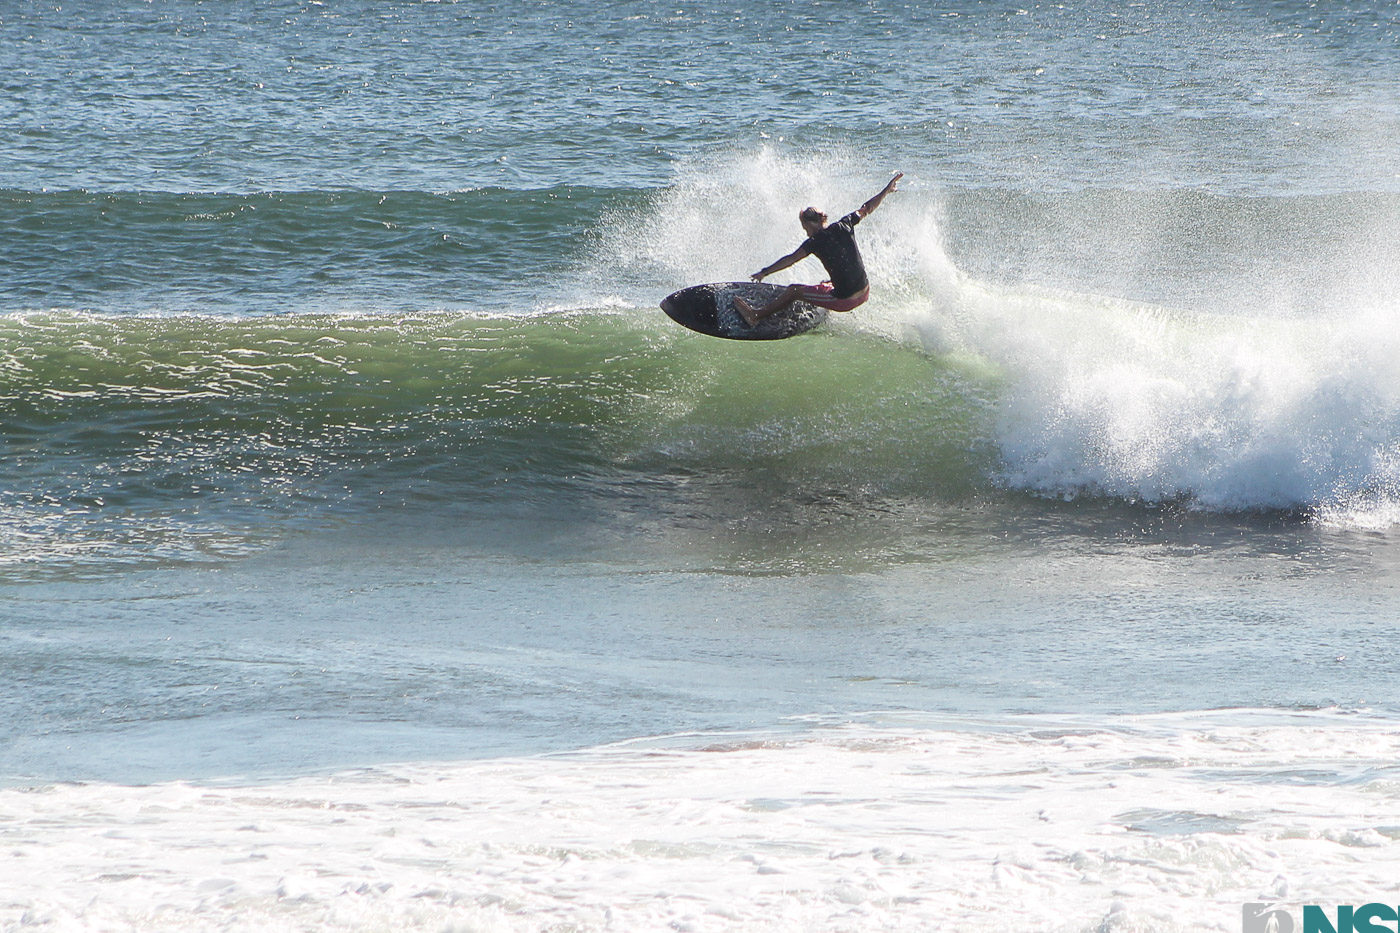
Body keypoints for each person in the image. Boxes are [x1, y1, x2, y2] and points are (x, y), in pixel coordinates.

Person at [734, 172, 903, 326]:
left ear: (810, 224)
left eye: (804, 226)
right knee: (826, 283)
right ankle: (825, 304)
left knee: (794, 290)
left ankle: (755, 316)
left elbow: (791, 259)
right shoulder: (844, 224)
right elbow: (867, 208)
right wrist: (886, 190)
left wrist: (765, 272)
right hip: (865, 290)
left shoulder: (814, 242)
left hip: (846, 300)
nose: (804, 231)